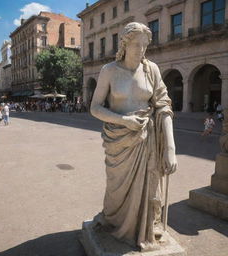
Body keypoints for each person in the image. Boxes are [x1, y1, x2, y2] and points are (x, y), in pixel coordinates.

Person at [90, 22, 177, 251]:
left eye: (145, 44)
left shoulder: (152, 70)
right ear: (125, 44)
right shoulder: (109, 70)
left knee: (149, 191)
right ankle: (114, 222)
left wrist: (170, 148)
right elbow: (95, 108)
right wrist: (123, 120)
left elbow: (164, 106)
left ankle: (144, 227)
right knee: (115, 191)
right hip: (120, 143)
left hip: (147, 141)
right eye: (136, 44)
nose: (141, 49)